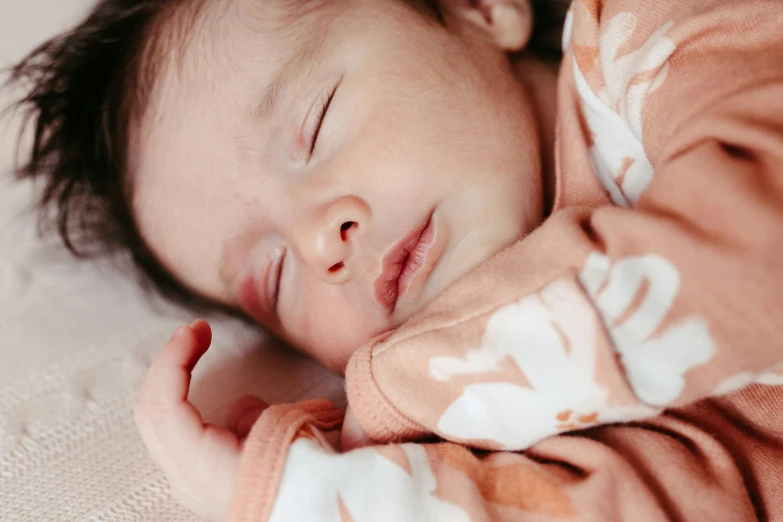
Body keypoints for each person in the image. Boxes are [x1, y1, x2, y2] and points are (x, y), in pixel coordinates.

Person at [8, 0, 783, 520]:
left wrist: (394, 391)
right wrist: (309, 495)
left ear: (480, 7)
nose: (320, 243)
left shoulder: (652, 38)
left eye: (315, 128)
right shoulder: (518, 424)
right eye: (274, 278)